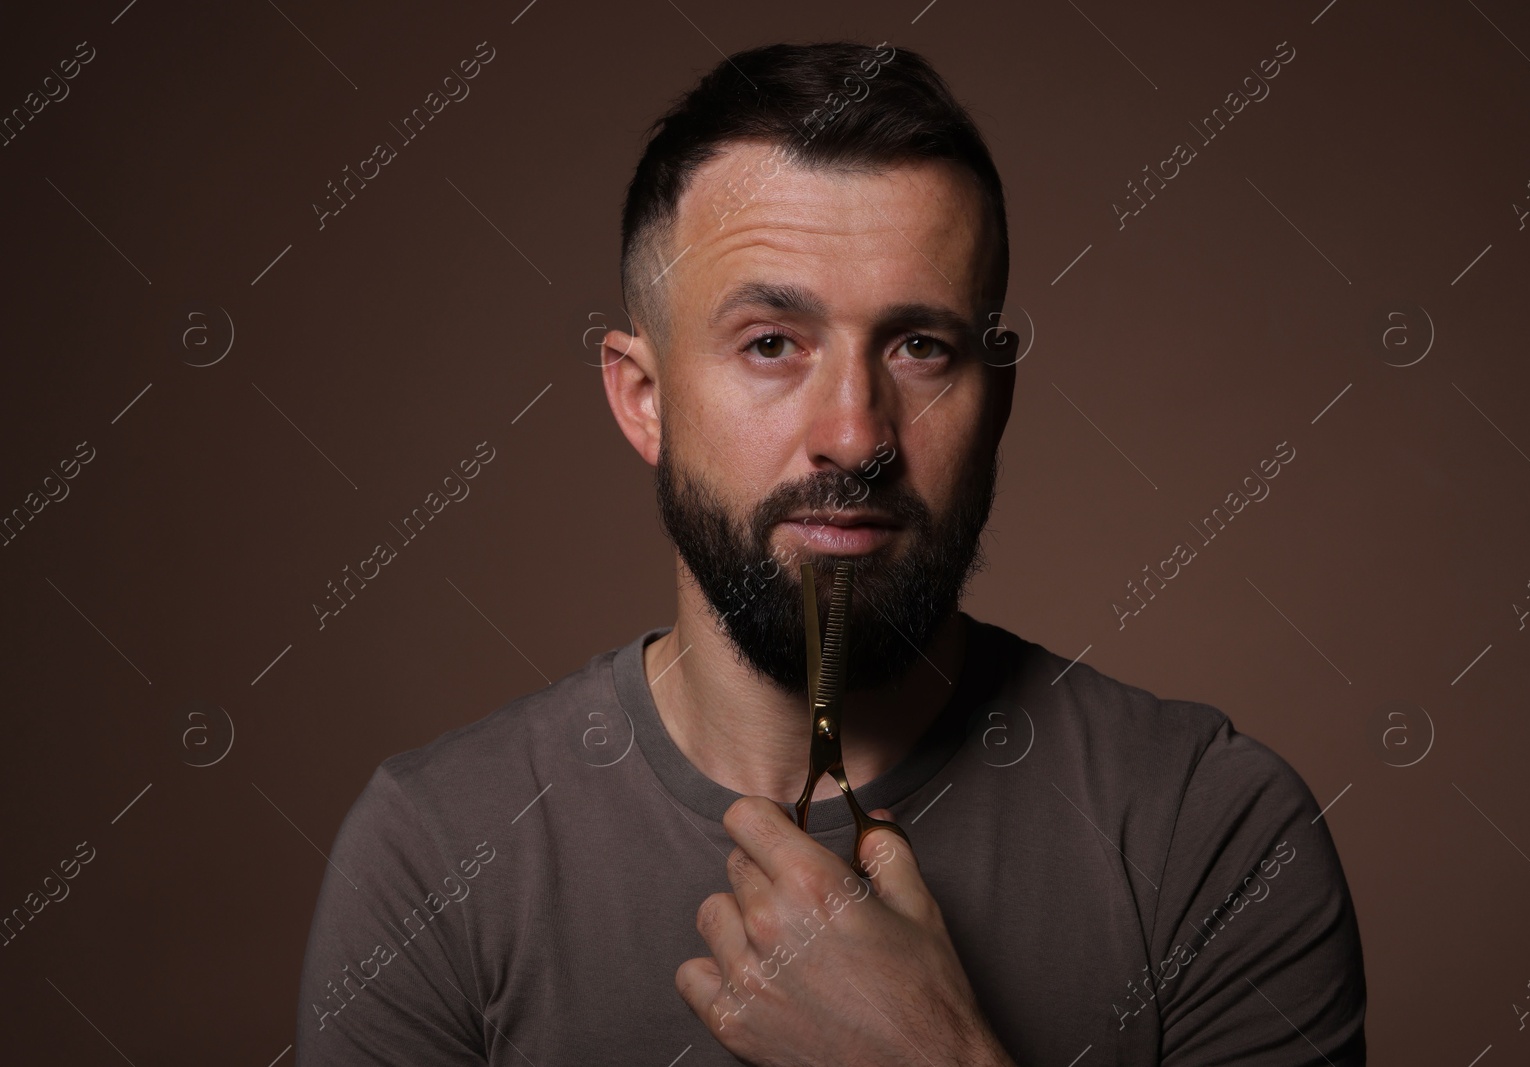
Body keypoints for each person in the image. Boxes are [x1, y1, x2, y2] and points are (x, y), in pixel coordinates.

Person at [295, 40, 1366, 1065]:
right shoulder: (437, 854)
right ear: (644, 397)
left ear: (996, 400)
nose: (855, 434)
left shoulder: (1208, 832)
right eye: (771, 343)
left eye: (920, 346)